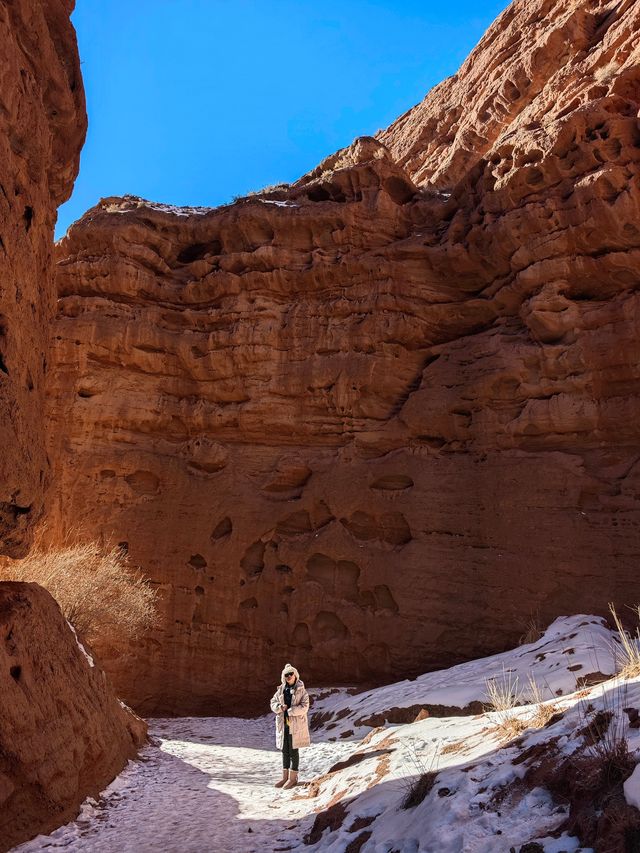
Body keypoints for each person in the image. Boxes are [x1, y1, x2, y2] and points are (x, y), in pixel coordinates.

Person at [270, 663, 310, 789]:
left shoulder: (302, 691)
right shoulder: (281, 690)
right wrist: (280, 708)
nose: (288, 676)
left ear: (295, 675)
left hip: (295, 725)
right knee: (285, 750)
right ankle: (285, 777)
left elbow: (305, 707)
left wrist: (291, 711)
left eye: (290, 674)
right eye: (286, 675)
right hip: (284, 724)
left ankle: (293, 778)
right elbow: (273, 702)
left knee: (294, 750)